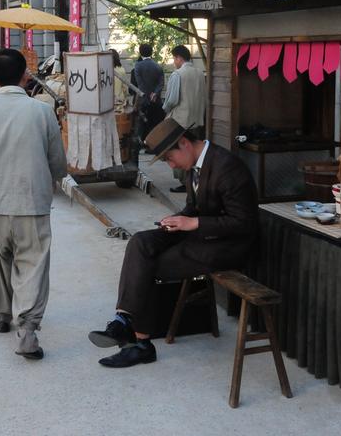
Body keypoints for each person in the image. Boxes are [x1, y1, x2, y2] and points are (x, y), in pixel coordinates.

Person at [88, 118, 259, 368]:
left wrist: (194, 223)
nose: (170, 165)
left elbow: (244, 223)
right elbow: (194, 207)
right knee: (140, 243)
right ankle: (123, 320)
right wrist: (178, 220)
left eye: (169, 158)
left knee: (149, 264)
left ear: (184, 143)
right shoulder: (194, 167)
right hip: (203, 235)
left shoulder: (228, 167)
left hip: (230, 246)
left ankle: (141, 342)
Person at [0, 48, 67, 360]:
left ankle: (0, 316)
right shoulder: (42, 112)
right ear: (24, 75)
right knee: (32, 265)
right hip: (32, 203)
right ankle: (28, 331)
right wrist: (58, 176)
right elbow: (57, 161)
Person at [161, 45, 206, 193]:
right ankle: (195, 183)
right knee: (195, 153)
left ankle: (184, 183)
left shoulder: (178, 74)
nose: (174, 61)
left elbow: (172, 100)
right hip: (197, 119)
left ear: (179, 58)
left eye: (174, 58)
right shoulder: (200, 73)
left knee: (180, 152)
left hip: (180, 121)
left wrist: (165, 110)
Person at [130, 43, 165, 143]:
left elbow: (140, 83)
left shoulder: (138, 66)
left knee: (141, 125)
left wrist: (147, 94)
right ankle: (153, 145)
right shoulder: (157, 66)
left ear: (140, 53)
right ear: (152, 52)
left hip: (143, 100)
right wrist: (155, 93)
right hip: (156, 100)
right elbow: (161, 83)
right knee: (155, 124)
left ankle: (141, 144)